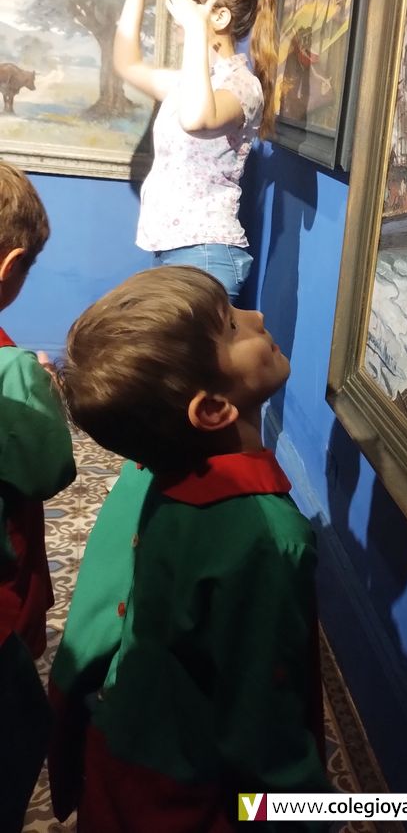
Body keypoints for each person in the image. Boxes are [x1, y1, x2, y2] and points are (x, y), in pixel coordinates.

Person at [48, 267, 328, 831]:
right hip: (189, 798)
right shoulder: (268, 540)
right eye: (231, 328)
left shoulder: (158, 476)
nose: (258, 317)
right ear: (213, 409)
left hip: (123, 760)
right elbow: (263, 729)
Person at [113, 0, 278, 302]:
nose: (178, 10)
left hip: (205, 254)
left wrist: (194, 32)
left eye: (189, 0)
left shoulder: (242, 85)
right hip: (177, 251)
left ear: (220, 16)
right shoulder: (191, 82)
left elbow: (196, 119)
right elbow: (127, 64)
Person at [0, 163, 76, 833]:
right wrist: (43, 392)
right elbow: (48, 470)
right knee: (21, 724)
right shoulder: (13, 371)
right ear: (11, 267)